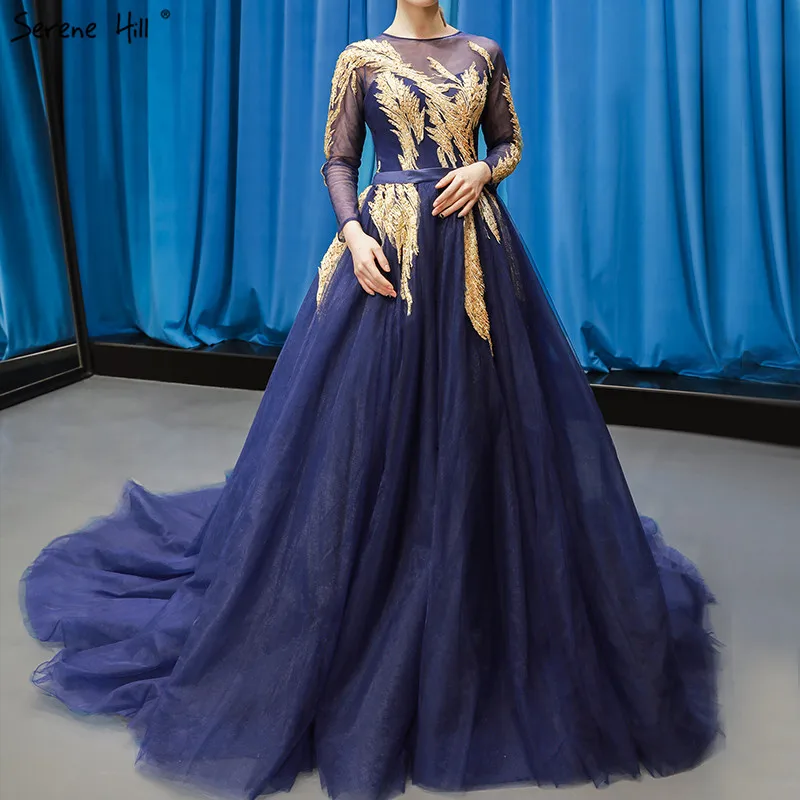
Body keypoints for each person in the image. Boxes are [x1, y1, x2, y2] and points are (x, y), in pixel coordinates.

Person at [20, 2, 720, 799]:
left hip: (474, 254)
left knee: (481, 422)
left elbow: (510, 141)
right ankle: (370, 595)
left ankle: (473, 586)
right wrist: (353, 234)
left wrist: (484, 171)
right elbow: (337, 158)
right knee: (367, 432)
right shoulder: (359, 57)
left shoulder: (483, 50)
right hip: (386, 253)